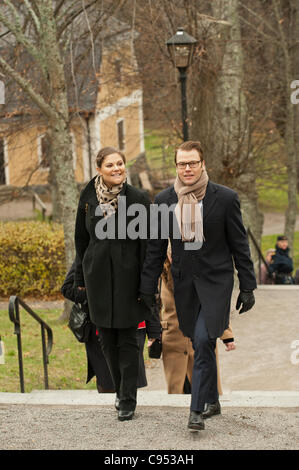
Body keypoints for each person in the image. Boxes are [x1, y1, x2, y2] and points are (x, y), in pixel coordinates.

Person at [140, 140, 256, 431]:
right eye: (182, 163)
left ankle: (197, 409)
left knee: (203, 340)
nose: (187, 168)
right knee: (199, 340)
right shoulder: (164, 200)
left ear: (203, 164)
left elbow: (239, 244)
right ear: (176, 166)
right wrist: (147, 287)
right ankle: (213, 400)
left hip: (217, 281)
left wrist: (248, 285)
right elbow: (155, 248)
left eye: (192, 163)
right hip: (185, 284)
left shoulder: (225, 198)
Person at [74, 146, 158, 421]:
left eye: (120, 163)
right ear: (99, 169)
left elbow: (149, 245)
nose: (117, 169)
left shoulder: (139, 199)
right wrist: (81, 280)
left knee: (129, 342)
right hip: (97, 281)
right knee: (107, 341)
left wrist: (147, 285)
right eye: (110, 165)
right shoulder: (88, 198)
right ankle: (120, 390)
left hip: (129, 282)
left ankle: (127, 398)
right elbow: (81, 241)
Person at [61, 257, 160, 394]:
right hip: (100, 327)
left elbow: (148, 292)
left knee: (129, 380)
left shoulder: (136, 247)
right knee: (108, 383)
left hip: (134, 325)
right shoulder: (91, 248)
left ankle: (127, 407)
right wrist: (98, 294)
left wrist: (154, 330)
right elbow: (67, 288)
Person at [160, 251, 236, 416]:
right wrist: (153, 334)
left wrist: (226, 334)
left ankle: (205, 410)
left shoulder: (200, 268)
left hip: (200, 334)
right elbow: (153, 302)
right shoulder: (162, 268)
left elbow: (215, 301)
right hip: (173, 337)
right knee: (176, 392)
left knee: (204, 384)